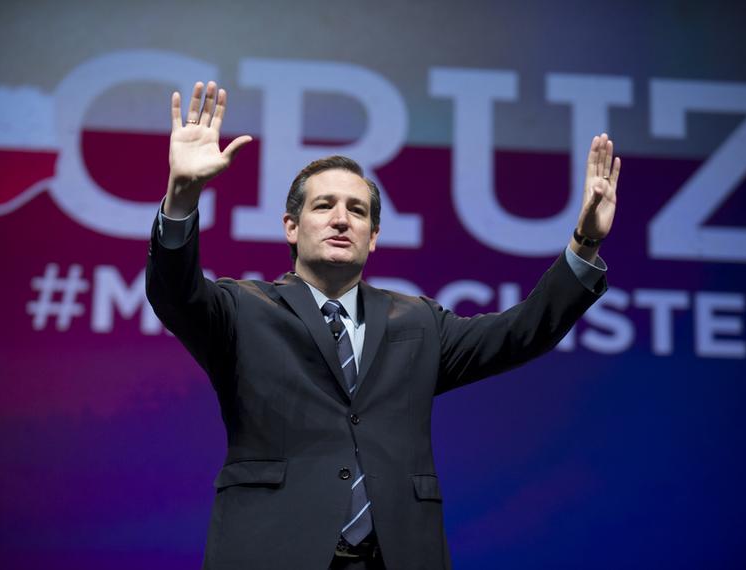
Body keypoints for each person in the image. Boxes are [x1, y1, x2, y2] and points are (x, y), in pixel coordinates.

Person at [146, 81, 620, 569]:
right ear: (291, 226)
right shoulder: (242, 309)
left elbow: (521, 332)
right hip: (272, 550)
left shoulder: (417, 321)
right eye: (323, 206)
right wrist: (181, 196)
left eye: (357, 211)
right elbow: (174, 293)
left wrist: (584, 243)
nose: (340, 219)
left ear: (372, 238)